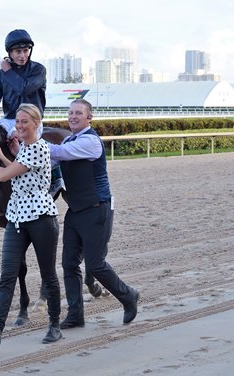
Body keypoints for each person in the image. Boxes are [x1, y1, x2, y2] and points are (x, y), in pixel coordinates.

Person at [0, 103, 62, 351]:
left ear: (36, 124)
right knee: (7, 276)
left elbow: (3, 175)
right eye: (18, 122)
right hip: (17, 219)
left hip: (41, 218)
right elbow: (16, 165)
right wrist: (3, 154)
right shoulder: (24, 149)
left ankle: (55, 325)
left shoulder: (39, 148)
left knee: (48, 275)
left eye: (24, 122)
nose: (19, 126)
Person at [49, 98, 140, 329]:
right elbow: (50, 159)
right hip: (76, 210)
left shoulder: (90, 142)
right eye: (70, 113)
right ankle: (75, 315)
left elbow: (57, 151)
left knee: (96, 265)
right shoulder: (71, 139)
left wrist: (30, 140)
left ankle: (128, 296)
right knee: (69, 264)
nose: (73, 116)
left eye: (78, 113)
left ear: (89, 117)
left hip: (97, 209)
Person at [0, 28, 65, 198]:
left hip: (32, 120)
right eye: (18, 51)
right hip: (8, 120)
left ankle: (54, 177)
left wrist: (8, 71)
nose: (22, 55)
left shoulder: (38, 70)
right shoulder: (0, 75)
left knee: (24, 142)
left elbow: (23, 88)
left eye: (25, 50)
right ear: (10, 53)